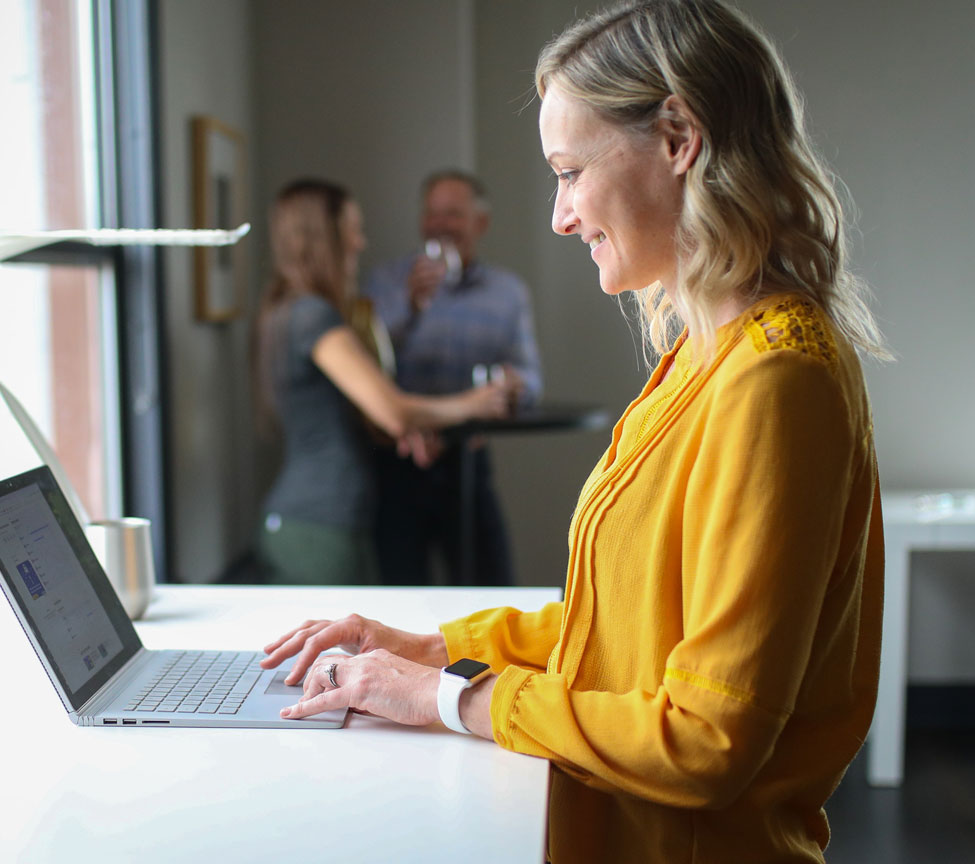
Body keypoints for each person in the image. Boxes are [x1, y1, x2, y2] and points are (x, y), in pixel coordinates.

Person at [257, 2, 890, 861]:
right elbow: (621, 631)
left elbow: (706, 741)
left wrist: (450, 698)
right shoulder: (708, 357)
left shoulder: (775, 378)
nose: (560, 216)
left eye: (569, 172)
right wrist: (430, 648)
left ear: (677, 139)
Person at [254, 178, 508, 586]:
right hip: (319, 524)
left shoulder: (293, 310)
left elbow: (361, 415)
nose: (360, 242)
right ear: (324, 237)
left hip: (318, 521)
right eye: (352, 229)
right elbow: (392, 409)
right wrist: (475, 404)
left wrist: (406, 431)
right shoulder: (313, 316)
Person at [363, 170, 544, 586]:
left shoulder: (508, 292)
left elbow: (531, 378)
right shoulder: (387, 282)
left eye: (453, 214)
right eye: (432, 214)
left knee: (491, 588)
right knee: (401, 594)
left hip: (468, 460)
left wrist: (514, 390)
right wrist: (408, 307)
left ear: (480, 224)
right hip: (398, 463)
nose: (440, 225)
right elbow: (365, 366)